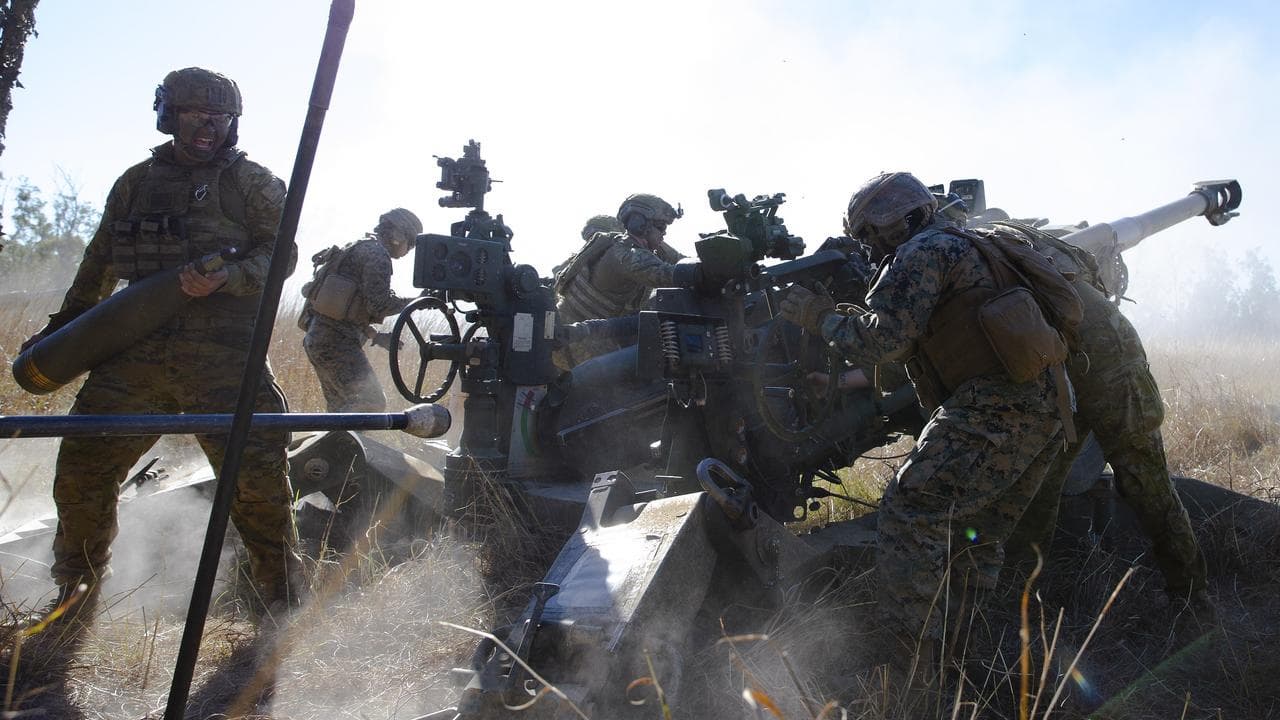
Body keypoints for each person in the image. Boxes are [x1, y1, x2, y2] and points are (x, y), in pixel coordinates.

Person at [21, 67, 301, 619]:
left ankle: (279, 603)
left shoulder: (254, 184)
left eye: (220, 119)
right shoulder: (134, 183)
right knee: (83, 471)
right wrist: (65, 328)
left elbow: (282, 256)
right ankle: (72, 599)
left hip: (224, 355)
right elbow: (98, 263)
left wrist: (231, 277)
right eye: (197, 116)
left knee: (257, 484)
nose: (209, 128)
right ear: (170, 115)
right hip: (135, 354)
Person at [778, 172, 1069, 683]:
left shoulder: (921, 252)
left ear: (899, 219)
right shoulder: (970, 243)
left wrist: (817, 316)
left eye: (871, 233)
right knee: (976, 537)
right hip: (1045, 405)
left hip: (994, 405)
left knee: (910, 514)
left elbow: (884, 342)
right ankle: (960, 664)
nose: (870, 247)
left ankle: (909, 671)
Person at [996, 220, 1210, 612]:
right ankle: (1021, 605)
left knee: (1146, 483)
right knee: (1038, 491)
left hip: (1111, 362)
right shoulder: (990, 249)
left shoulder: (969, 257)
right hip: (1061, 368)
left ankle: (1193, 598)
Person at [299, 208, 422, 412]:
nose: (408, 251)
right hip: (336, 343)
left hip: (320, 339)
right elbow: (380, 304)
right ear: (399, 237)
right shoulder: (377, 255)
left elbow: (346, 307)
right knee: (370, 403)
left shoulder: (360, 247)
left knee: (341, 408)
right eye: (410, 244)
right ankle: (340, 443)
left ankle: (336, 443)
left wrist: (374, 335)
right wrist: (418, 301)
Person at [554, 194, 689, 324]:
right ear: (641, 225)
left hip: (598, 329)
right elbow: (664, 274)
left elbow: (681, 261)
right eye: (661, 227)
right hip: (579, 335)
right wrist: (700, 274)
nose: (664, 232)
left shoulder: (647, 246)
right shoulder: (625, 253)